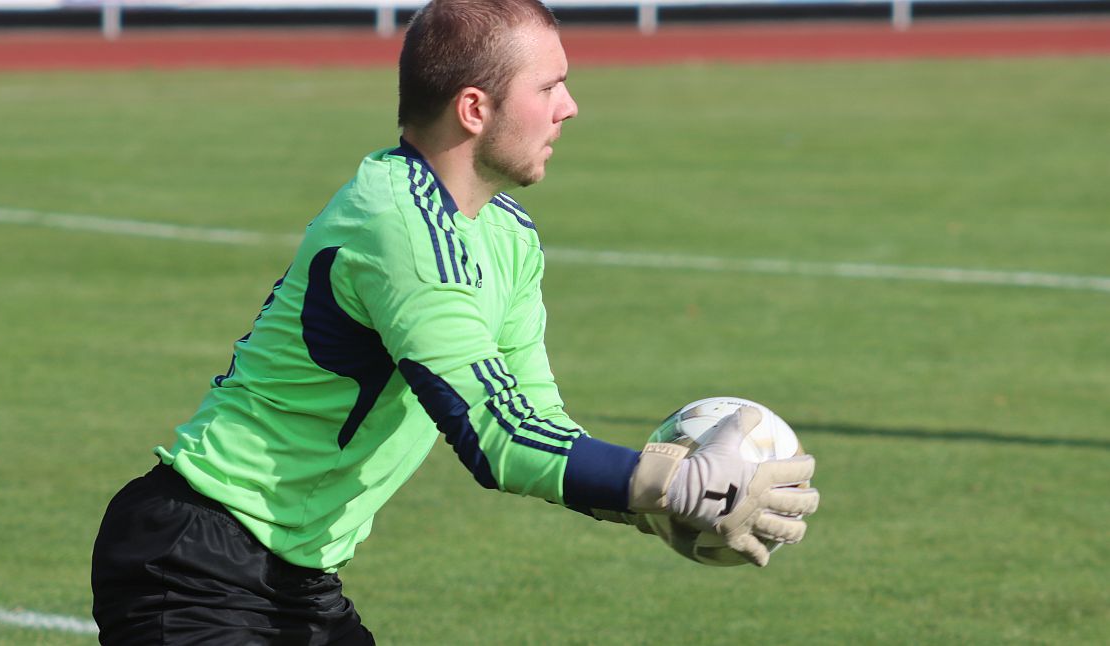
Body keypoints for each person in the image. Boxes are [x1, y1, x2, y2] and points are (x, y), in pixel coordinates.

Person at [91, 1, 819, 643]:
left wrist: (662, 498)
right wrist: (665, 482)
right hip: (196, 558)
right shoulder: (401, 227)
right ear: (475, 109)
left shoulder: (506, 236)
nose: (570, 107)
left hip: (296, 576)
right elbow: (495, 440)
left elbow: (534, 420)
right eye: (549, 87)